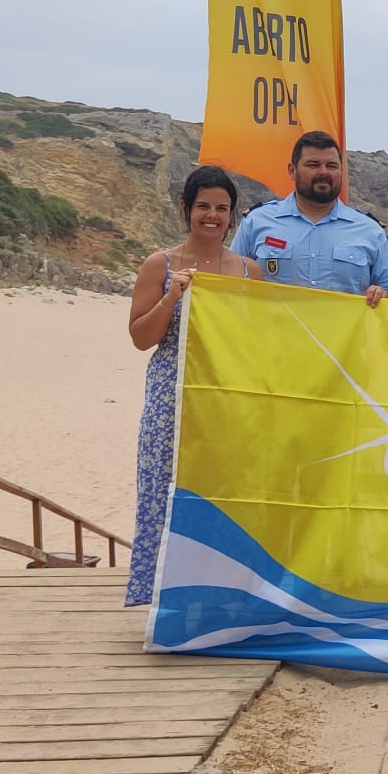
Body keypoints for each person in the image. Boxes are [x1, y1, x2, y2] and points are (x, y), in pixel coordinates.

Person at [125, 167, 256, 606]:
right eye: (203, 206)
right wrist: (171, 298)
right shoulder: (159, 265)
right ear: (186, 209)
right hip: (172, 398)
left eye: (222, 208)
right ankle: (164, 601)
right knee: (165, 490)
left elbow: (266, 342)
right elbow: (141, 337)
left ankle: (220, 597)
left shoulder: (249, 272)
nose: (212, 216)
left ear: (232, 216)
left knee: (225, 497)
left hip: (226, 400)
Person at [230, 131, 388, 305]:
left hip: (342, 333)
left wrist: (381, 293)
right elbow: (228, 280)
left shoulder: (370, 231)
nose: (323, 172)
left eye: (332, 166)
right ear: (292, 171)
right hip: (273, 331)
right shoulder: (256, 222)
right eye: (313, 165)